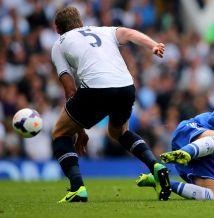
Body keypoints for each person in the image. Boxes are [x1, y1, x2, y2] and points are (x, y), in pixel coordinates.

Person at [51, 6, 171, 203]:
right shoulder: (103, 30)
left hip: (97, 88)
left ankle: (77, 188)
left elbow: (70, 90)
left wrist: (78, 130)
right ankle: (155, 166)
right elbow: (129, 33)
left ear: (57, 29)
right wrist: (152, 45)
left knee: (60, 133)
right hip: (126, 86)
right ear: (81, 22)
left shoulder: (59, 44)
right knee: (119, 132)